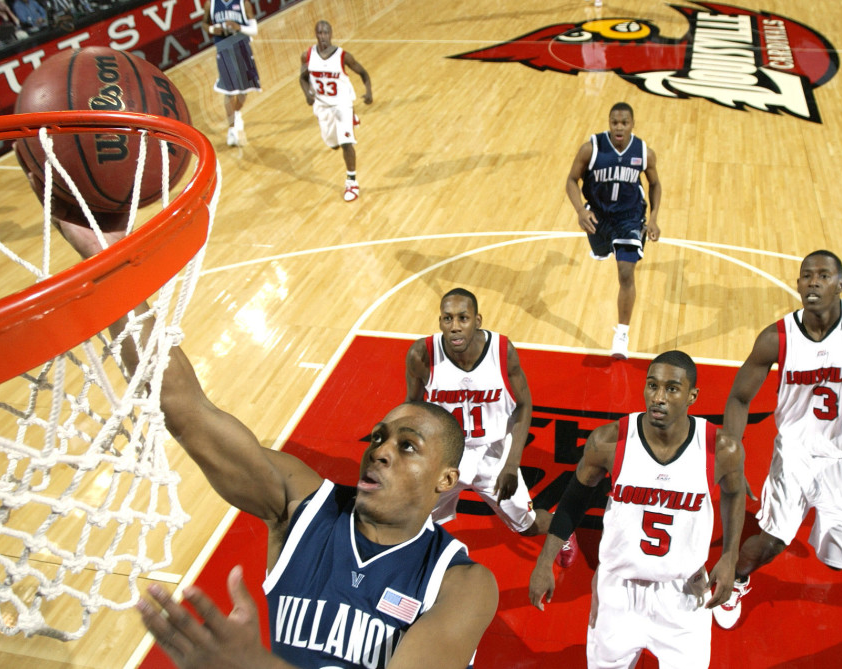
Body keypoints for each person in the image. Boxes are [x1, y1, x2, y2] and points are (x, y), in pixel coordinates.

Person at [37, 217, 500, 667]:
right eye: (378, 437)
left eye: (407, 446)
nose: (379, 450)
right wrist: (107, 258)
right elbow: (187, 410)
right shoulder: (303, 506)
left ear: (447, 479)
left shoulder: (461, 583)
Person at [711, 250, 842, 629]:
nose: (813, 282)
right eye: (806, 276)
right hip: (796, 456)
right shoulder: (776, 338)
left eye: (824, 276)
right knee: (770, 542)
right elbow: (739, 397)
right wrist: (733, 450)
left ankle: (822, 525)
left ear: (840, 284)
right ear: (797, 285)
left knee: (836, 558)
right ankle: (736, 580)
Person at [529, 351, 745, 669]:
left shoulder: (719, 448)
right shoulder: (609, 441)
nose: (658, 397)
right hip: (618, 591)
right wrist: (545, 561)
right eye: (652, 385)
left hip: (683, 593)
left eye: (672, 388)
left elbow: (735, 493)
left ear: (692, 396)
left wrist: (729, 556)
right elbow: (573, 500)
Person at [405, 288, 577, 564]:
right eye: (448, 319)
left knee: (528, 526)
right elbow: (412, 406)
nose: (455, 327)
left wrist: (511, 464)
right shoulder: (421, 355)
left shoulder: (502, 352)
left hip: (493, 454)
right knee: (413, 519)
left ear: (478, 320)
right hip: (446, 453)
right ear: (440, 322)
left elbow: (524, 406)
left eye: (463, 318)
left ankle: (562, 528)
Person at [565, 101, 661, 360]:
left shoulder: (644, 152)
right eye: (615, 123)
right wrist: (580, 211)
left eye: (624, 123)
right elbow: (571, 180)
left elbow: (655, 184)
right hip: (598, 214)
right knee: (600, 249)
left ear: (632, 124)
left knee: (626, 272)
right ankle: (603, 247)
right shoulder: (591, 149)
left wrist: (652, 217)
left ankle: (621, 334)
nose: (619, 127)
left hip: (629, 217)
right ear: (609, 123)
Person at [299, 19, 371, 202]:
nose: (323, 36)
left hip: (342, 104)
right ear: (315, 34)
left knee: (347, 143)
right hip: (322, 106)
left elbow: (363, 73)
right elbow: (303, 77)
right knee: (333, 144)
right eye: (319, 33)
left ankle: (352, 182)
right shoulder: (307, 55)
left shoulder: (343, 56)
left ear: (331, 34)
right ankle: (349, 122)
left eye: (325, 32)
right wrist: (307, 93)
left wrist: (368, 92)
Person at [205, 0, 260, 147]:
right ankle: (231, 129)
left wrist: (238, 27)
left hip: (243, 50)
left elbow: (254, 30)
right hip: (224, 52)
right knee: (229, 92)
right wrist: (213, 30)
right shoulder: (211, 4)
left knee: (243, 91)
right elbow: (205, 24)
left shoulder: (243, 3)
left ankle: (236, 113)